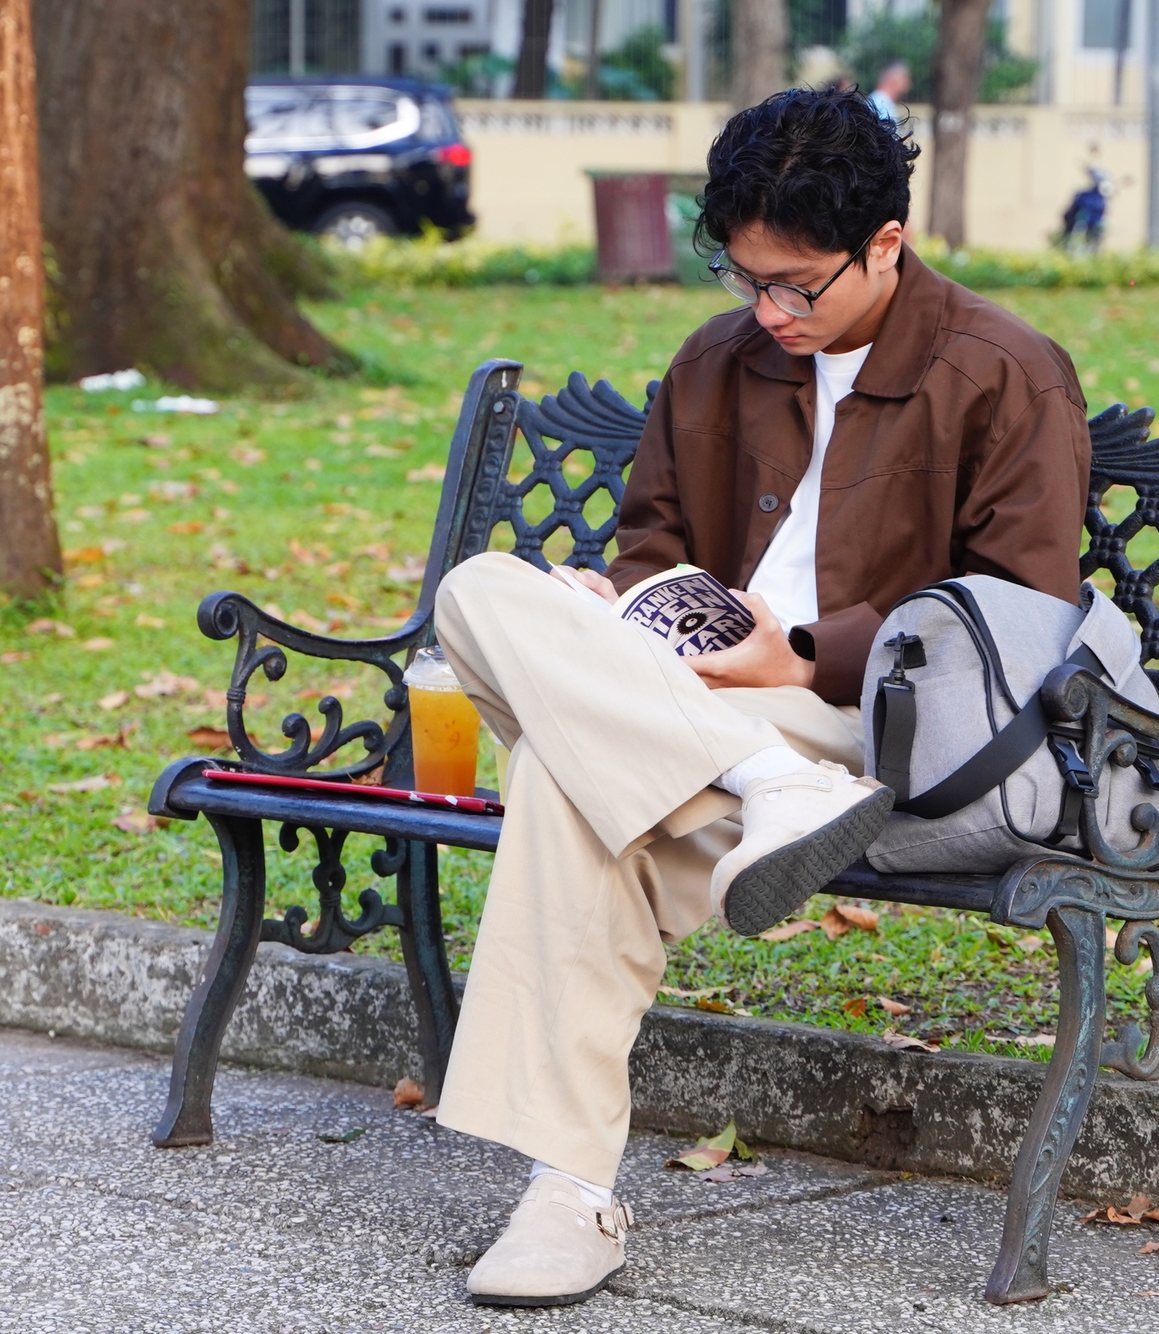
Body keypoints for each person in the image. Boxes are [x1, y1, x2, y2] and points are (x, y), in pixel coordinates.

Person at [430, 88, 1091, 1307]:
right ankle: (767, 786)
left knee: (561, 778)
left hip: (869, 715)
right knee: (478, 591)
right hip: (691, 699)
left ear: (884, 242)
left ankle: (566, 1192)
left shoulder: (1002, 370)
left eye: (796, 285)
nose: (769, 311)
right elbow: (651, 539)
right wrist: (625, 603)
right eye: (744, 279)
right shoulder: (713, 361)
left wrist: (799, 654)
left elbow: (1019, 606)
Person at [867, 59, 911, 124]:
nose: (908, 82)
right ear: (895, 78)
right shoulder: (880, 103)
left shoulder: (881, 101)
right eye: (904, 77)